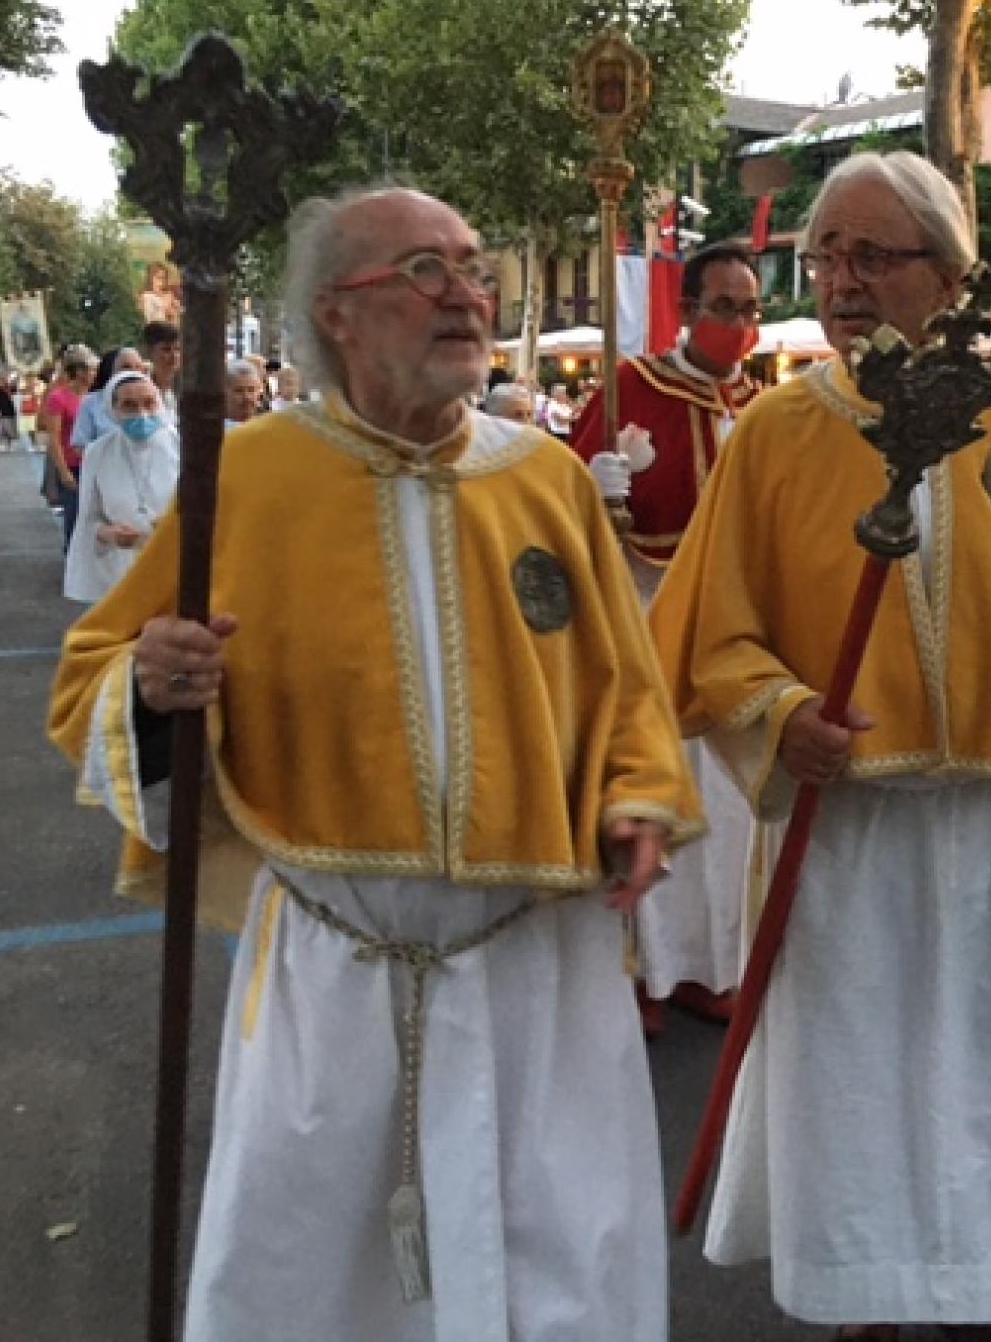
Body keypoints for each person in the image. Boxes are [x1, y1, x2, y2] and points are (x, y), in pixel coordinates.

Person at [48, 185, 701, 1340]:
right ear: (336, 315)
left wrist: (634, 799)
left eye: (470, 267)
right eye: (422, 272)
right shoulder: (246, 476)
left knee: (559, 1245)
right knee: (320, 1268)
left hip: (532, 953)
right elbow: (93, 674)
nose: (465, 294)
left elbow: (627, 689)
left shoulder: (544, 479)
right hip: (337, 961)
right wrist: (153, 682)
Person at [649, 151, 991, 1340]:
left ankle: (990, 1305)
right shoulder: (774, 434)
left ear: (948, 271)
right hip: (846, 831)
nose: (841, 277)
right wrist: (777, 716)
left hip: (989, 831)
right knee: (858, 1088)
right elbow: (709, 635)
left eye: (873, 253)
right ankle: (865, 1306)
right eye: (823, 252)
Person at [573, 240, 763, 1035]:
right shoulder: (628, 389)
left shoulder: (754, 405)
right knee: (655, 799)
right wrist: (597, 481)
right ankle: (640, 974)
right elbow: (567, 506)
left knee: (727, 814)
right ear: (686, 311)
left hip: (731, 638)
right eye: (726, 307)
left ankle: (709, 966)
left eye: (751, 310)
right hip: (648, 626)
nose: (742, 325)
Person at [63, 371, 181, 603]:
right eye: (129, 406)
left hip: (175, 563)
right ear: (112, 410)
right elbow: (89, 517)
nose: (142, 414)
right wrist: (108, 533)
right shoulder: (98, 452)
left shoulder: (183, 447)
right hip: (121, 569)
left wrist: (172, 523)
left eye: (149, 403)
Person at [42, 349, 104, 552]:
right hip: (72, 465)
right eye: (91, 370)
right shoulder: (59, 398)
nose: (95, 374)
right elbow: (54, 437)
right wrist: (63, 471)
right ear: (79, 372)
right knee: (74, 515)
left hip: (94, 463)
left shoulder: (97, 397)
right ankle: (72, 555)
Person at [70, 344, 151, 453]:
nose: (133, 371)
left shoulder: (152, 400)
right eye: (126, 367)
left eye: (138, 367)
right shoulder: (91, 402)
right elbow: (80, 446)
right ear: (111, 371)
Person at [224, 358, 264, 425]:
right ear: (224, 394)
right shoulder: (216, 431)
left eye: (251, 390)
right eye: (239, 391)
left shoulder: (267, 428)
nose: (247, 397)